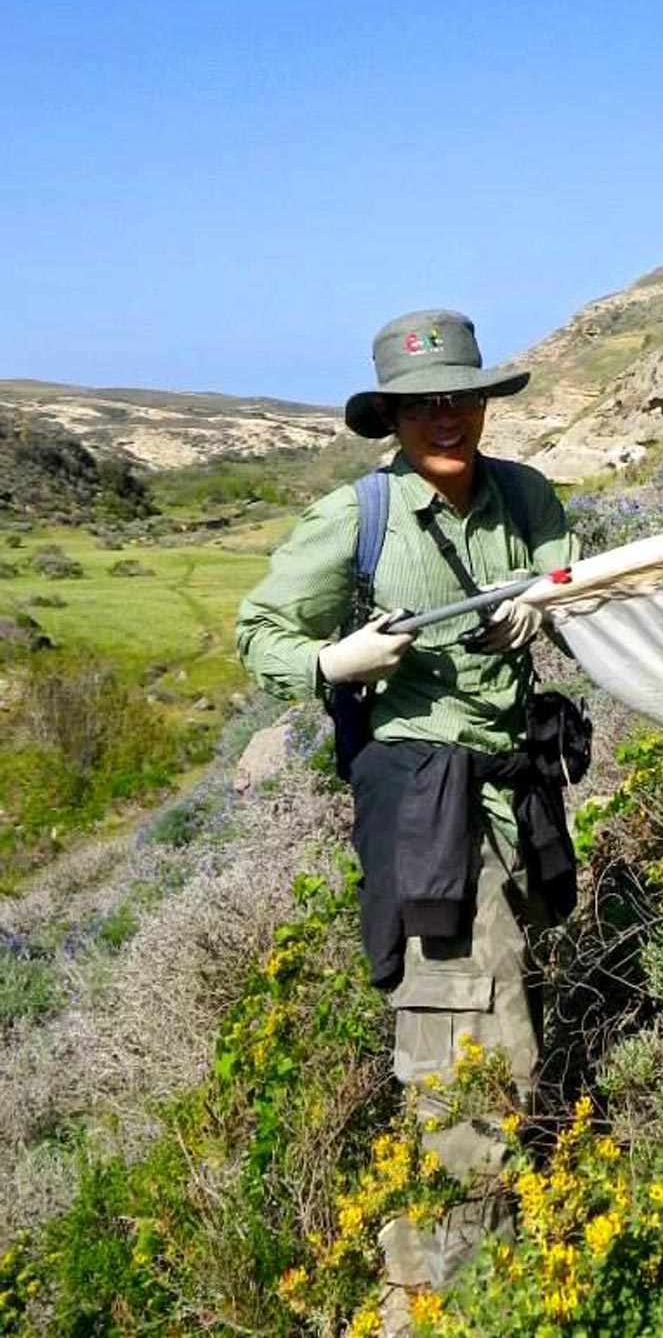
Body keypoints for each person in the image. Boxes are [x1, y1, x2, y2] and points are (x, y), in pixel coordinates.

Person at [236, 309, 577, 1118]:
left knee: (516, 999)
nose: (446, 419)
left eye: (459, 397)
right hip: (425, 805)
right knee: (461, 1037)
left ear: (485, 402)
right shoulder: (360, 517)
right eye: (422, 405)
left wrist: (547, 608)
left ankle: (517, 1207)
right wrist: (330, 662)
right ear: (390, 417)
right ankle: (455, 1230)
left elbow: (570, 581)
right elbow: (258, 631)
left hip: (515, 789)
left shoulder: (526, 496)